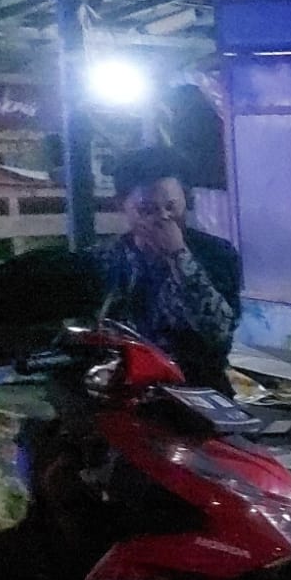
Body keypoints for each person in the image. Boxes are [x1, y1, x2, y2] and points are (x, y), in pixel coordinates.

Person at [94, 146, 241, 394]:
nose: (163, 217)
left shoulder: (215, 253)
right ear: (122, 205)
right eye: (147, 210)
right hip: (124, 389)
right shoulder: (107, 259)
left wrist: (178, 256)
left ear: (185, 199)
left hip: (198, 389)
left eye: (171, 207)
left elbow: (218, 333)